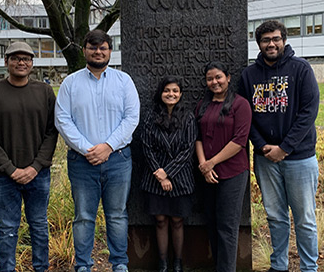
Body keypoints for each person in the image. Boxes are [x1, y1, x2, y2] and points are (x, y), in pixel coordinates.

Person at [54, 29, 140, 272]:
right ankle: (83, 265)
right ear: (84, 51)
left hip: (118, 160)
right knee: (83, 216)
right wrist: (87, 149)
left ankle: (119, 264)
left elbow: (131, 118)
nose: (98, 51)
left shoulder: (124, 81)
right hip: (82, 162)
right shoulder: (70, 83)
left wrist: (108, 147)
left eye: (103, 47)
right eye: (93, 47)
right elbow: (62, 120)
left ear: (110, 51)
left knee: (117, 215)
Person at [239, 20, 320, 272]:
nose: (271, 44)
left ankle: (309, 267)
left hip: (299, 158)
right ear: (259, 44)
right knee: (275, 217)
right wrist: (263, 147)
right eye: (265, 40)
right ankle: (279, 266)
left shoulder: (301, 69)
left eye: (275, 38)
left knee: (305, 219)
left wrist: (284, 148)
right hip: (265, 159)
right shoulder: (249, 75)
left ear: (283, 40)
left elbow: (309, 112)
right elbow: (244, 116)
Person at [0, 42, 58, 272]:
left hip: (38, 175)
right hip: (3, 177)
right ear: (6, 62)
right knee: (8, 229)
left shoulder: (44, 91)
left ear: (32, 63)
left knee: (40, 227)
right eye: (15, 58)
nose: (21, 62)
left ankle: (40, 268)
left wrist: (36, 167)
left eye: (26, 58)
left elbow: (52, 132)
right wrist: (9, 169)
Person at [195, 61, 252, 272]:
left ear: (228, 77)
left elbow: (239, 141)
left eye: (218, 77)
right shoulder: (202, 104)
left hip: (233, 173)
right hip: (207, 174)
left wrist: (212, 162)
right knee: (212, 223)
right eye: (210, 79)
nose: (214, 82)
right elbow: (197, 137)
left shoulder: (240, 104)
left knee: (227, 227)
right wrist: (203, 165)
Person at [141, 76, 197, 272]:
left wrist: (168, 173)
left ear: (180, 94)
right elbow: (146, 147)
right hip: (154, 176)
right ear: (161, 93)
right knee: (160, 220)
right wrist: (160, 174)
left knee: (177, 220)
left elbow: (188, 150)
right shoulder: (150, 116)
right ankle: (163, 263)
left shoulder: (188, 117)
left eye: (175, 91)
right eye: (167, 90)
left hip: (180, 177)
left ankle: (178, 263)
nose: (171, 94)